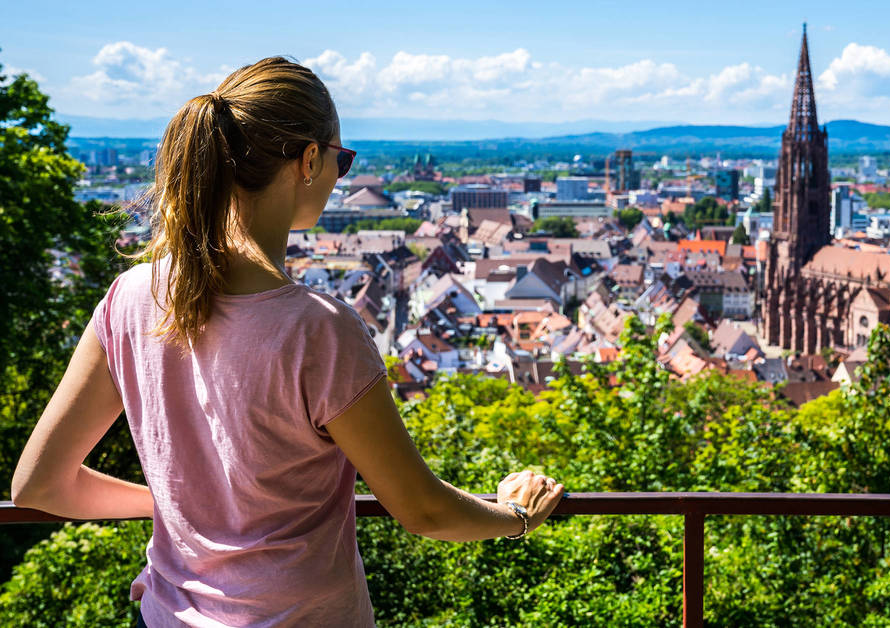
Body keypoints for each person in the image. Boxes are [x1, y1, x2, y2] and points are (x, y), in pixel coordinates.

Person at [9, 56, 564, 627]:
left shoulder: (130, 296)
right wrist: (519, 515)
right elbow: (421, 508)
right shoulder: (317, 330)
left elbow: (39, 484)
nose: (338, 175)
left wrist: (180, 509)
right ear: (309, 159)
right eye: (341, 160)